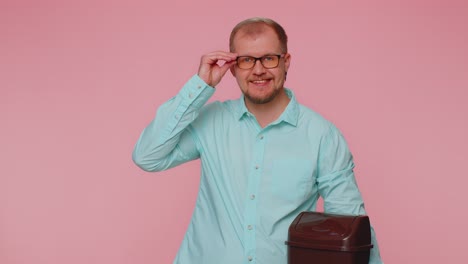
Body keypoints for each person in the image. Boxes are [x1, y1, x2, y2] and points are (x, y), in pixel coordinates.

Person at [132, 17, 383, 264]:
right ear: (232, 67)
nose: (258, 70)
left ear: (286, 62)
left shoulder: (321, 135)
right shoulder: (211, 121)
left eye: (269, 58)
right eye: (246, 60)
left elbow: (351, 225)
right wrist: (200, 85)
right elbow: (147, 156)